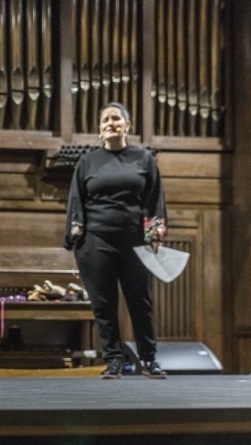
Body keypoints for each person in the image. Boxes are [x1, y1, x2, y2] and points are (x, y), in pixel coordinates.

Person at [63, 102, 168, 379]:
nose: (110, 123)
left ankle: (149, 360)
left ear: (127, 126)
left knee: (140, 302)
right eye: (105, 120)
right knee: (104, 305)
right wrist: (74, 237)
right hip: (95, 241)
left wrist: (154, 235)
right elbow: (77, 201)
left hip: (135, 241)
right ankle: (113, 361)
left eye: (116, 118)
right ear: (99, 129)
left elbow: (154, 199)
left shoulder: (143, 159)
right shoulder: (87, 162)